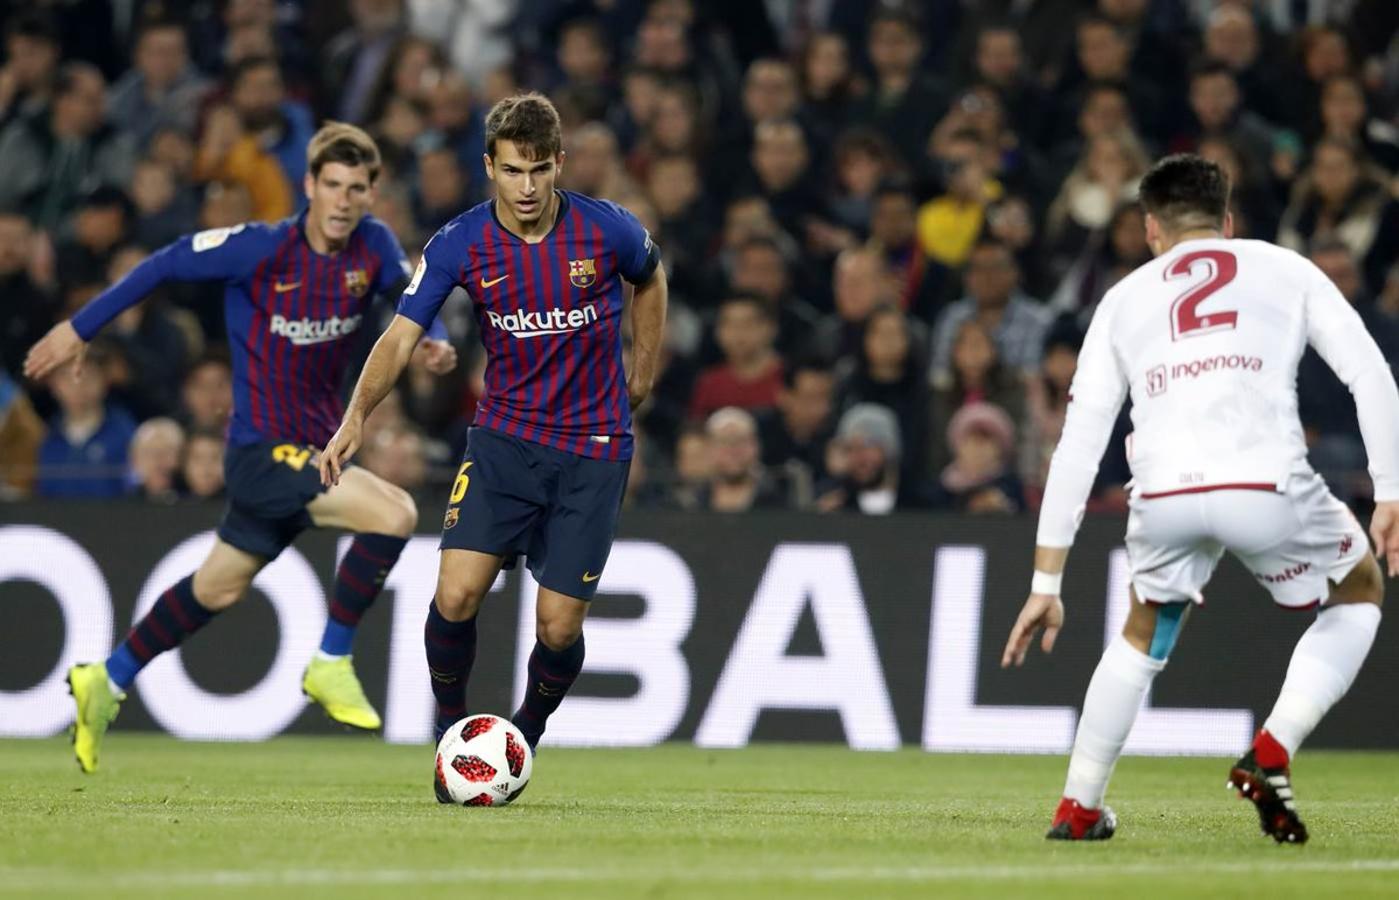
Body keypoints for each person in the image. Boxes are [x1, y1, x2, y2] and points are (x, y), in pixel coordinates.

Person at [23, 122, 456, 774]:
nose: (342, 200)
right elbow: (165, 262)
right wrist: (79, 327)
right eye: (331, 185)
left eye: (357, 188)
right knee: (392, 512)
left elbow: (412, 293)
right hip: (261, 452)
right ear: (308, 186)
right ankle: (331, 661)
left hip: (311, 448)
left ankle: (105, 679)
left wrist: (435, 335)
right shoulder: (258, 249)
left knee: (217, 589)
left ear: (372, 194)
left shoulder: (373, 247)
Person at [1001, 154, 1399, 844]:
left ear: (1150, 228)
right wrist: (1390, 489)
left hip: (1161, 495)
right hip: (1262, 483)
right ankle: (1268, 754)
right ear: (1228, 221)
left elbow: (1077, 444)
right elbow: (1371, 375)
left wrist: (1046, 580)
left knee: (1140, 631)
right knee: (1358, 589)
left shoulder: (1122, 299)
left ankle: (1077, 808)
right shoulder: (1284, 267)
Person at [317, 95, 667, 786]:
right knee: (454, 595)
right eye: (513, 171)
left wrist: (642, 366)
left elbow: (649, 280)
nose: (528, 187)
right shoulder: (458, 243)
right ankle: (454, 738)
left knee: (559, 628)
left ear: (559, 163)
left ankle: (521, 739)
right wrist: (356, 415)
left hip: (592, 449)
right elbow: (400, 336)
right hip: (505, 440)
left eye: (539, 169)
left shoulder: (608, 231)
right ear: (489, 167)